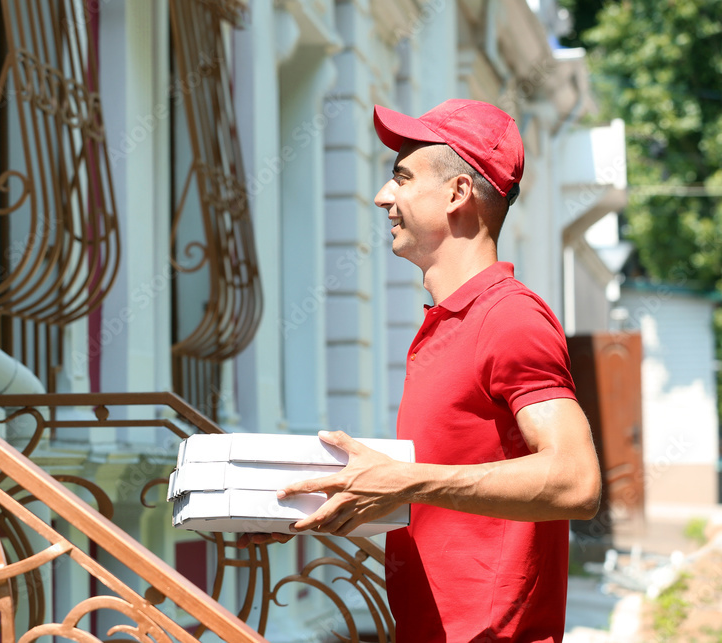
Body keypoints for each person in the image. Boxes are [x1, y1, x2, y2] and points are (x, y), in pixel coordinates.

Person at [238, 99, 602, 642]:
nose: (384, 196)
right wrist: (321, 511)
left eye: (403, 178)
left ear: (457, 194)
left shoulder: (508, 317)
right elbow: (445, 512)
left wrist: (403, 479)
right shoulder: (447, 323)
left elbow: (577, 481)